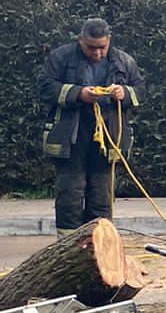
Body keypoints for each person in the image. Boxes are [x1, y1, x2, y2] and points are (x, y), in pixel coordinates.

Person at [38, 18, 145, 232]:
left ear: (109, 41)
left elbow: (140, 90)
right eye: (91, 48)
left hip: (108, 135)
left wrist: (124, 93)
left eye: (102, 48)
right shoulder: (60, 57)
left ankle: (99, 243)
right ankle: (70, 247)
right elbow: (45, 87)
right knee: (70, 192)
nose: (97, 53)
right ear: (81, 41)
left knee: (101, 194)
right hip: (71, 134)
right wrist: (78, 94)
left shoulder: (124, 61)